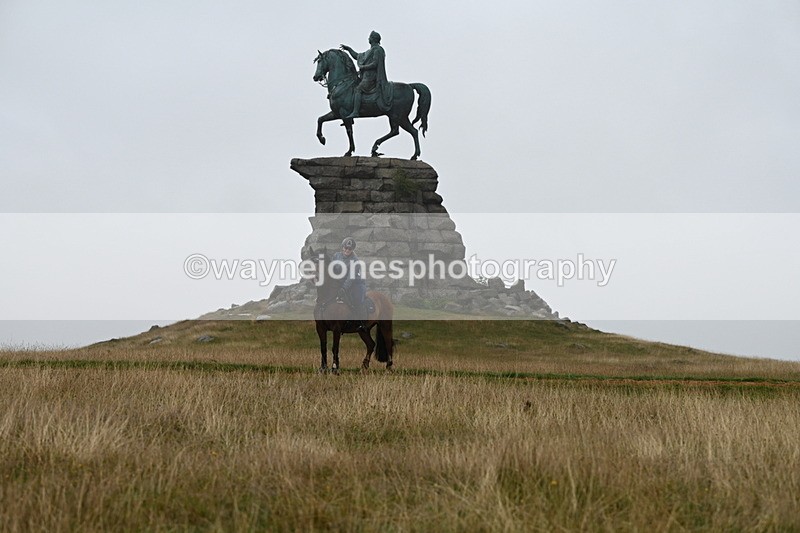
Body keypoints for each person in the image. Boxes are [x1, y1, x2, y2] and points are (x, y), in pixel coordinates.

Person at [340, 31, 393, 119]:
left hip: (372, 78)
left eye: (369, 37)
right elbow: (357, 56)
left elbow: (375, 63)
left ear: (373, 39)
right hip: (366, 77)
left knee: (358, 89)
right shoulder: (369, 51)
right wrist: (349, 49)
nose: (368, 38)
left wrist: (364, 67)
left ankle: (356, 112)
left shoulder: (378, 50)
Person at [332, 237, 368, 329]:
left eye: (350, 249)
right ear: (342, 247)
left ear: (352, 250)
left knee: (357, 299)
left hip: (355, 283)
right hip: (340, 282)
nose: (347, 250)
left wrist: (343, 289)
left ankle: (361, 323)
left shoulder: (355, 261)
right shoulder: (336, 256)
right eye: (346, 248)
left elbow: (350, 278)